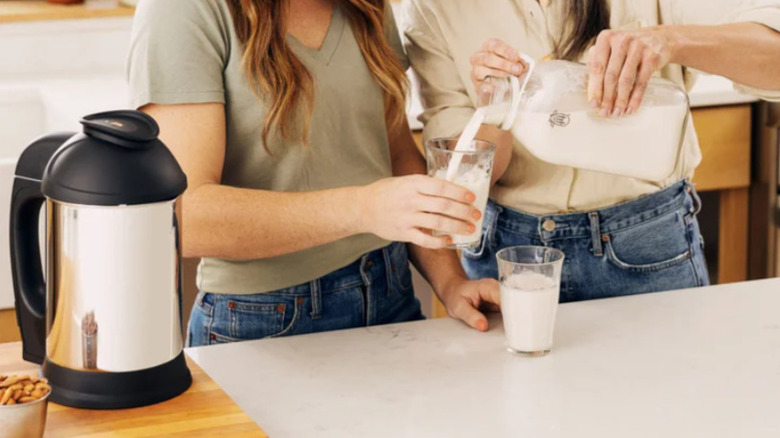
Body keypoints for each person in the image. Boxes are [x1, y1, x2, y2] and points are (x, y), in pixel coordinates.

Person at [127, 0, 500, 347]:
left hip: (391, 292)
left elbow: (396, 153)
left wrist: (450, 281)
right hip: (263, 323)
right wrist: (362, 209)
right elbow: (184, 218)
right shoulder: (182, 10)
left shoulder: (366, 6)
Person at [403, 0, 780, 302]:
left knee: (666, 396)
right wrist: (496, 105)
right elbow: (466, 183)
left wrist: (669, 41)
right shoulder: (436, 8)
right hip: (510, 260)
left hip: (645, 245)